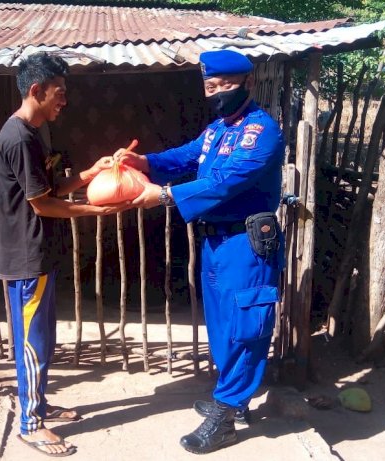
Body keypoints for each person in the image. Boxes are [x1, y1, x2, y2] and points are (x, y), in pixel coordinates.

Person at [115, 49, 285, 454]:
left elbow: (227, 181)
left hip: (246, 246)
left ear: (247, 84)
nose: (219, 92)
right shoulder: (217, 130)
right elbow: (185, 157)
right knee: (224, 328)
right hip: (214, 244)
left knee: (246, 327)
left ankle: (225, 416)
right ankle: (234, 397)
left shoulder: (261, 132)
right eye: (211, 86)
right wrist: (144, 161)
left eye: (226, 85)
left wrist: (166, 195)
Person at [0, 52, 127, 457]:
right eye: (59, 93)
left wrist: (89, 174)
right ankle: (30, 423)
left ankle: (40, 403)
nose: (64, 101)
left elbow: (50, 190)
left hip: (39, 253)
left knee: (44, 339)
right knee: (32, 341)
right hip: (26, 257)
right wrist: (95, 209)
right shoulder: (18, 138)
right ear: (37, 91)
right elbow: (42, 205)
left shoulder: (35, 134)